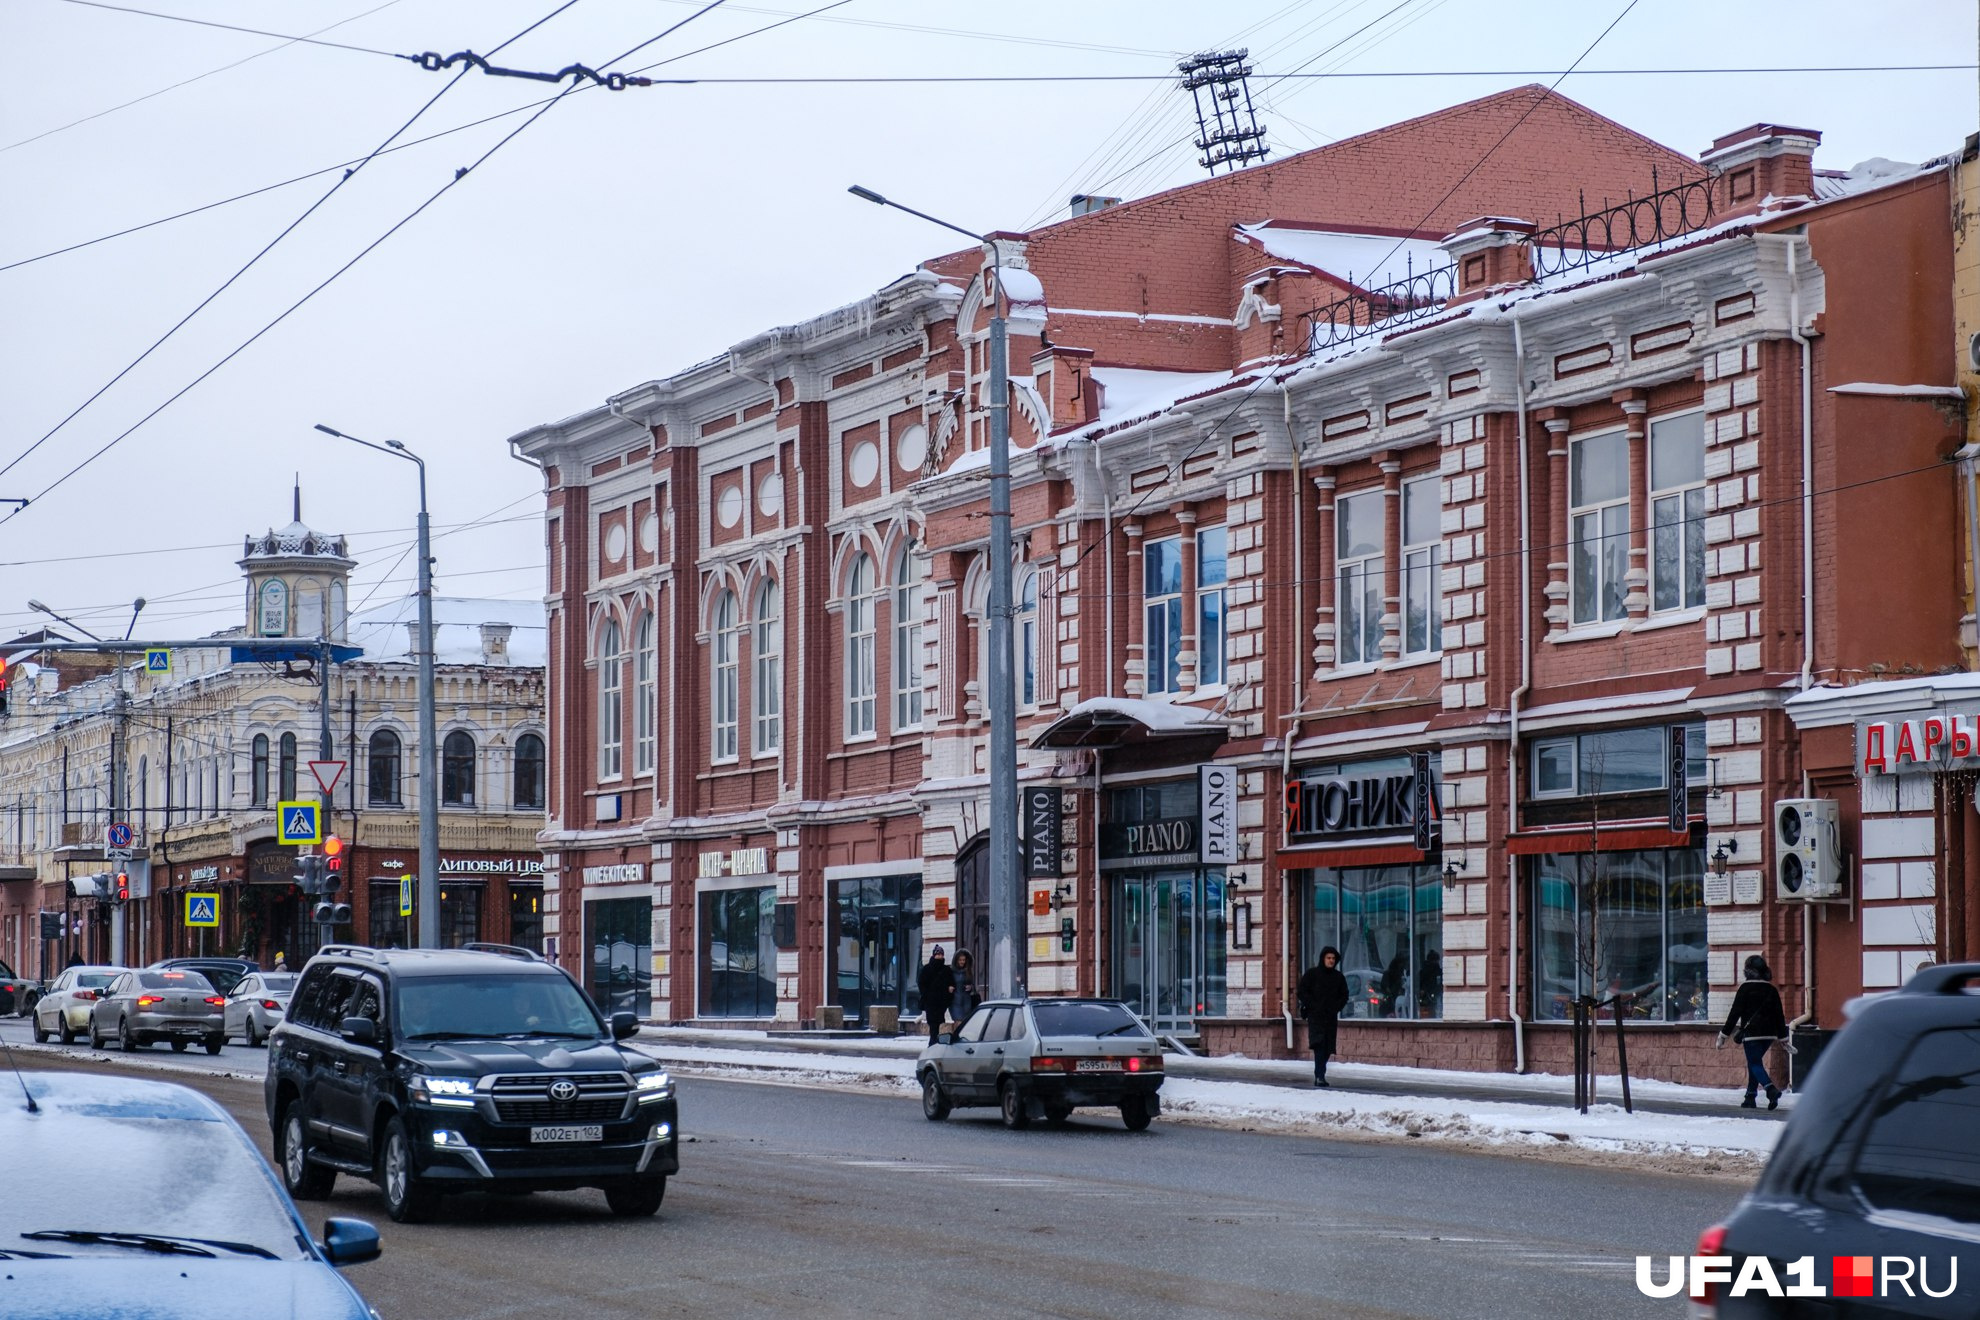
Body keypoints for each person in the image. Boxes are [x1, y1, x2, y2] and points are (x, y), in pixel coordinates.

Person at [1718, 954, 1787, 1110]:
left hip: (1752, 1033)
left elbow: (1734, 1013)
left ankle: (1770, 1090)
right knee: (1754, 1062)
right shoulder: (1771, 989)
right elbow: (1779, 1015)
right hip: (1769, 1034)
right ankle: (1750, 1097)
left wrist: (1724, 1034)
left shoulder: (1745, 988)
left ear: (1748, 971)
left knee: (1754, 1063)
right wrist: (1783, 1037)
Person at [1296, 946, 1351, 1087]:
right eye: (1328, 958)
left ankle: (1320, 1073)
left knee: (1328, 1047)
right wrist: (1312, 1005)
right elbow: (1302, 991)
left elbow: (1344, 995)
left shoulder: (1338, 977)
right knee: (1319, 1044)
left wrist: (1336, 1008)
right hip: (1316, 1016)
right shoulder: (1312, 974)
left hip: (1330, 1017)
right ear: (1323, 958)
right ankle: (1319, 1075)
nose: (1331, 961)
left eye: (1333, 958)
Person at [917, 945, 955, 1045]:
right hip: (930, 1003)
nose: (939, 956)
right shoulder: (927, 969)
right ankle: (933, 1045)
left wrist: (948, 996)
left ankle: (933, 1045)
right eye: (937, 954)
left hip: (941, 1003)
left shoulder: (946, 970)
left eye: (941, 954)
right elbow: (921, 983)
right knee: (933, 1026)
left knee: (936, 1025)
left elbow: (951, 983)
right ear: (934, 955)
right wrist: (927, 995)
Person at [949, 949, 981, 1026]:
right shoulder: (951, 971)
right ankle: (956, 1038)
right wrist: (949, 988)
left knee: (966, 1024)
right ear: (956, 960)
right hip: (955, 1001)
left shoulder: (968, 971)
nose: (962, 962)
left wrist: (970, 987)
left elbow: (973, 985)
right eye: (960, 960)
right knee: (958, 1023)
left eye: (964, 960)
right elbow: (946, 983)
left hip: (967, 1001)